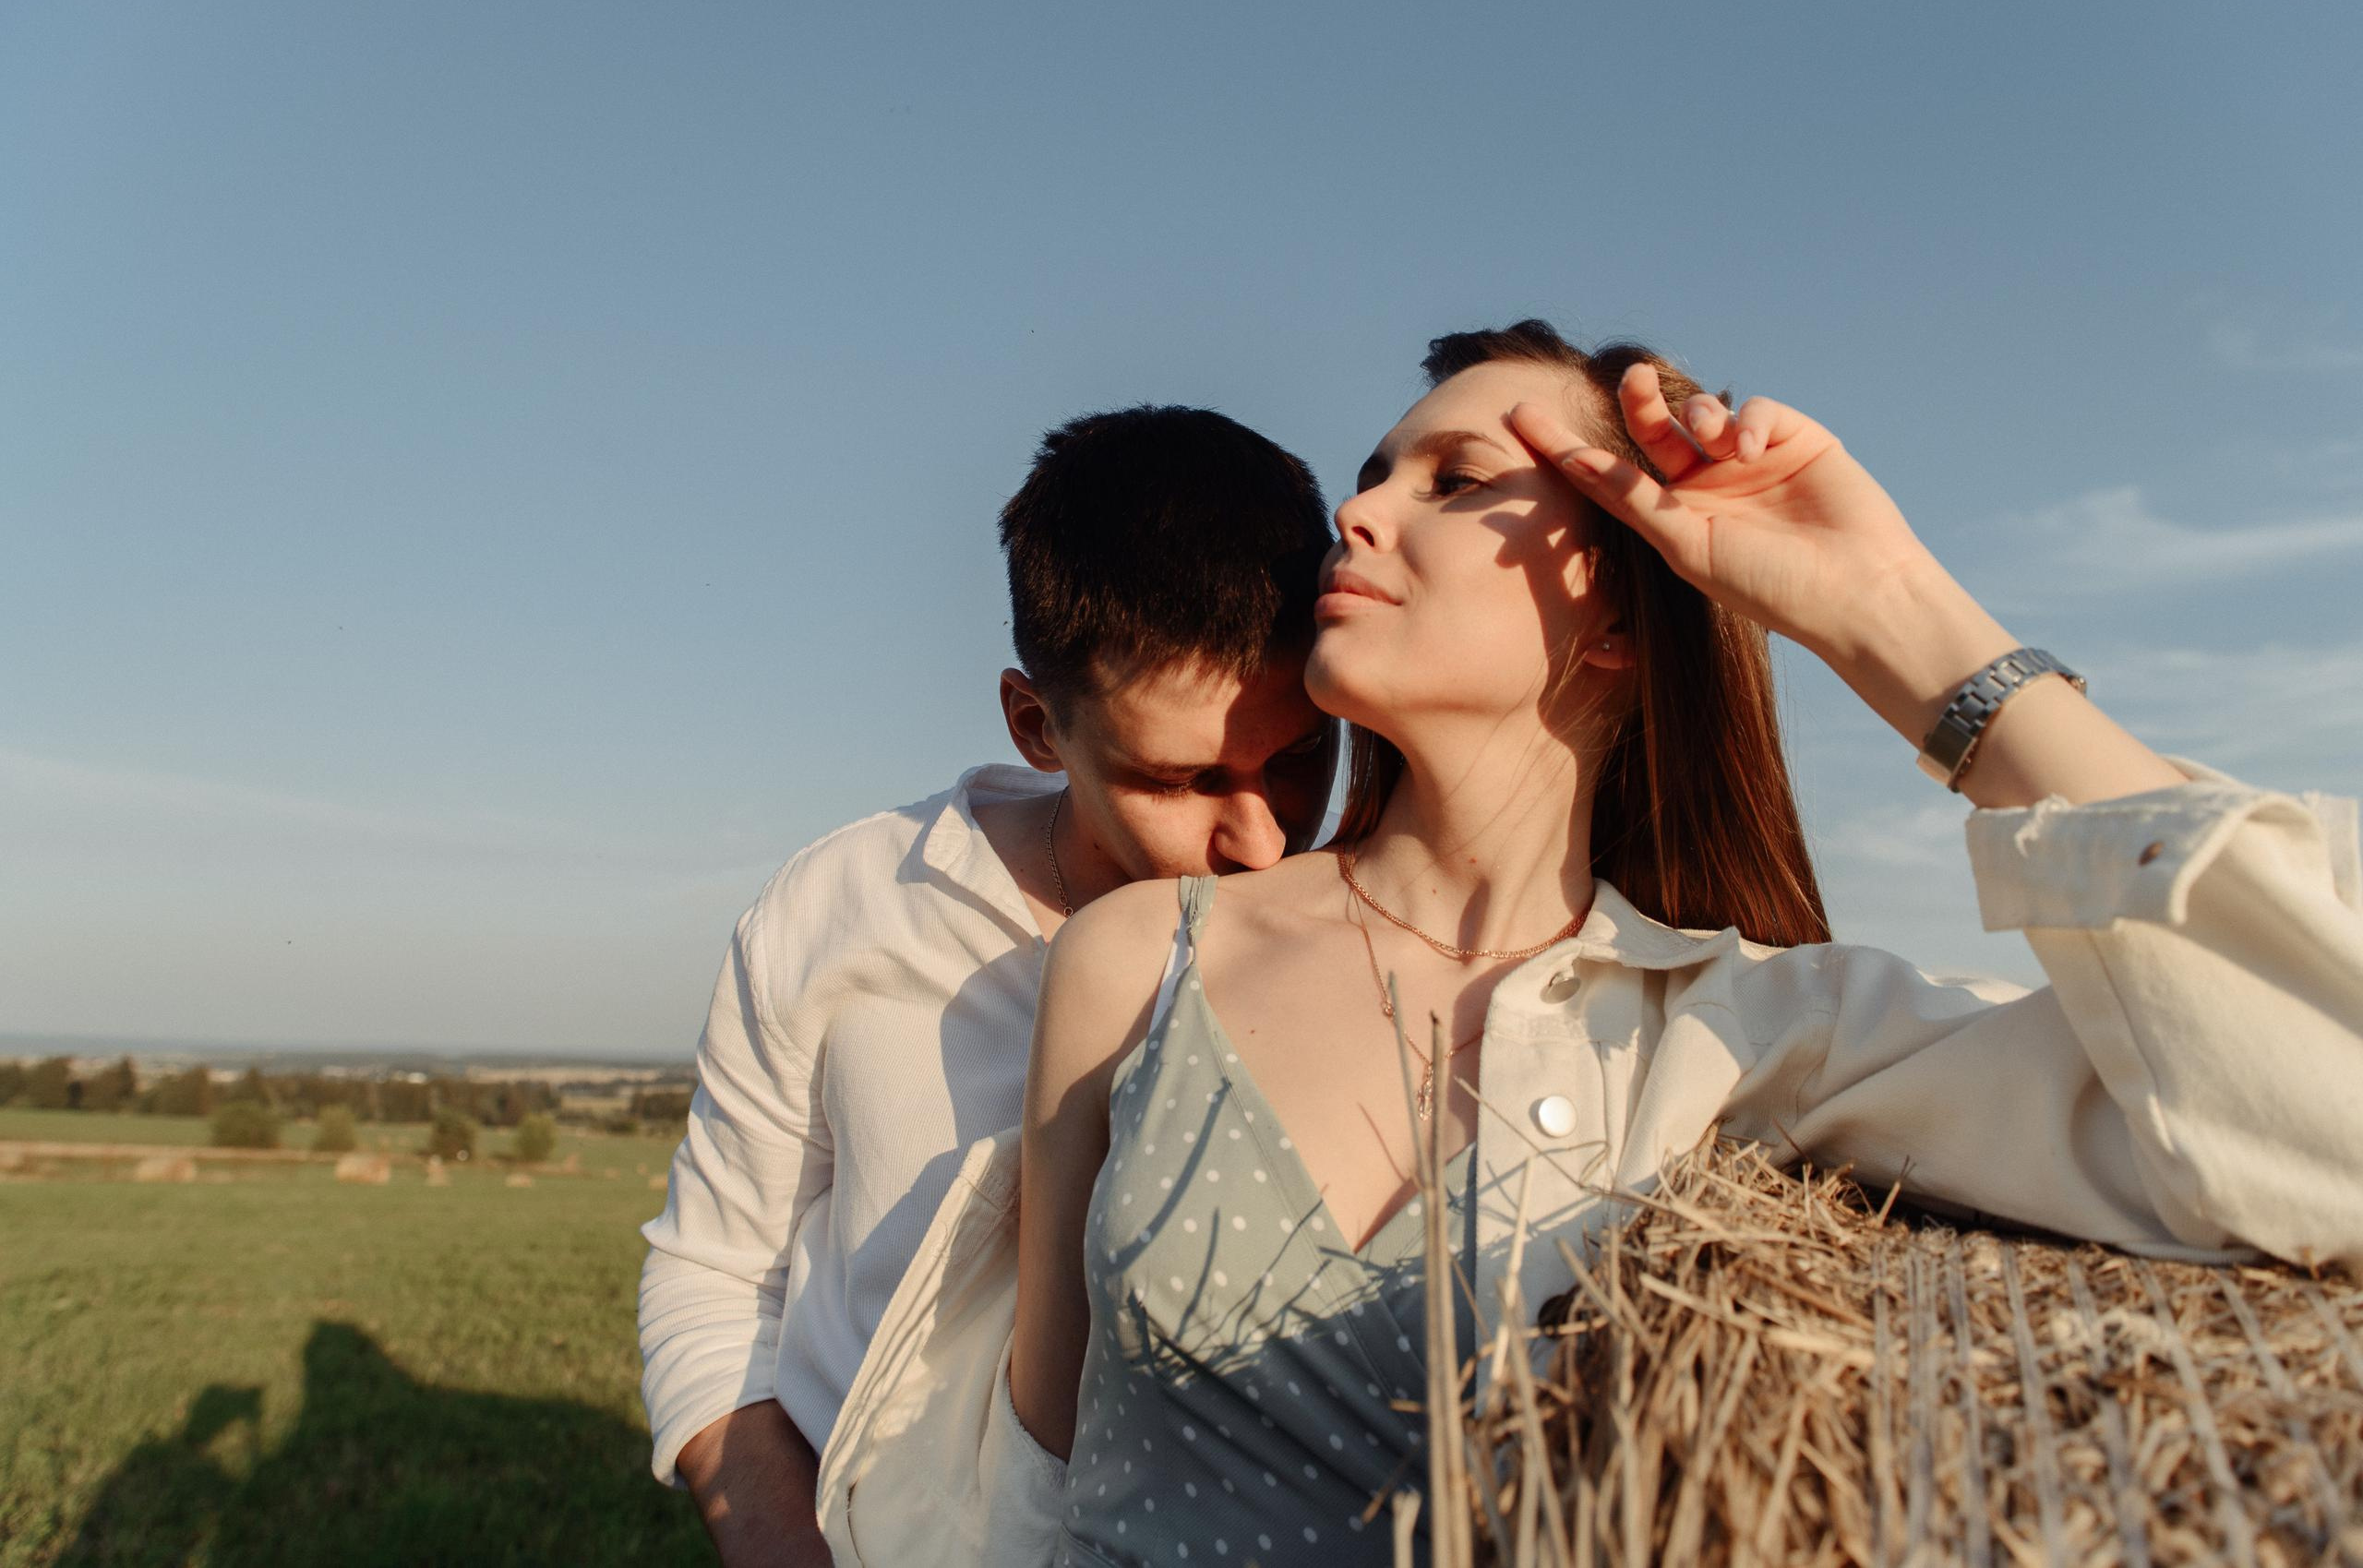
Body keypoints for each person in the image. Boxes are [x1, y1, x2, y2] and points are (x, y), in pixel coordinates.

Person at [1004, 319, 2363, 1566]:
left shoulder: (1751, 1025)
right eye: (1375, 474)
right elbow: (1033, 1465)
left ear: (1614, 616)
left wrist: (1890, 609)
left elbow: (2325, 1124)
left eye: (1453, 479)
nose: (1354, 514)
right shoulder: (1140, 957)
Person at [637, 402, 1341, 1567]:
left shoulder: (1373, 932)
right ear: (1034, 724)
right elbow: (716, 1272)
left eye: (1305, 754)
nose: (1263, 839)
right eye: (1183, 779)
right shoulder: (841, 903)